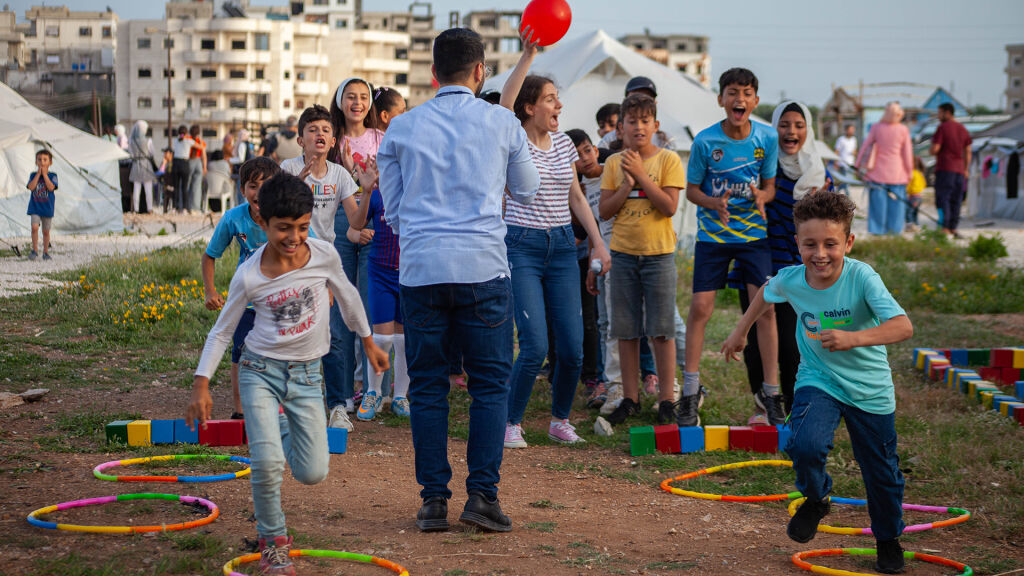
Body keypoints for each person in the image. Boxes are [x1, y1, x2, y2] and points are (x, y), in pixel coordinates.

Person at [377, 27, 539, 533]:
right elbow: (529, 191)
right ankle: (482, 499)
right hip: (484, 268)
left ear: (432, 73)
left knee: (427, 386)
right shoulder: (502, 122)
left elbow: (394, 212)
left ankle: (432, 502)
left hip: (422, 270)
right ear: (480, 72)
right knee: (490, 385)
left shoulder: (401, 128)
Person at [187, 172, 388, 576]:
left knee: (313, 472)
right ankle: (272, 543)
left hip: (307, 376)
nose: (294, 237)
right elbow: (223, 330)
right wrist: (201, 381)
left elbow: (348, 297)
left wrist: (367, 341)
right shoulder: (250, 273)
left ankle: (278, 432)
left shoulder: (324, 254)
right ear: (263, 224)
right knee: (265, 463)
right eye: (283, 229)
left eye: (301, 227)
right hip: (260, 372)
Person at [722, 191, 913, 575]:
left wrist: (852, 338)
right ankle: (817, 495)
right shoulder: (792, 279)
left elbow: (903, 326)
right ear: (797, 243)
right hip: (819, 380)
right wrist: (741, 330)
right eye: (810, 244)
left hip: (869, 389)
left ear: (849, 242)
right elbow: (765, 292)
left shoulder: (862, 277)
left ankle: (888, 539)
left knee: (881, 472)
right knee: (804, 443)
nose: (820, 254)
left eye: (830, 244)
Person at [498, 33, 611, 447]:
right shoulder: (513, 138)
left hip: (564, 247)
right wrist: (529, 54)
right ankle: (511, 422)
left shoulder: (564, 143)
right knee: (534, 346)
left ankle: (559, 420)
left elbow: (577, 197)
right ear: (530, 108)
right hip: (522, 246)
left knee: (574, 347)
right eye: (549, 98)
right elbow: (504, 106)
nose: (558, 105)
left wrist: (597, 243)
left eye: (557, 98)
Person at [681, 67, 781, 427]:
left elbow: (770, 187)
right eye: (732, 92)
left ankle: (772, 394)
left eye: (747, 93)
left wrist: (761, 196)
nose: (740, 99)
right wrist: (714, 203)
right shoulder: (706, 141)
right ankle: (689, 394)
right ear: (720, 98)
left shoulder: (766, 138)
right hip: (714, 236)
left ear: (755, 100)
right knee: (701, 308)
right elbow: (692, 191)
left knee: (766, 310)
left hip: (754, 236)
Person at [281, 104, 379, 430]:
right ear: (300, 139)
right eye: (312, 130)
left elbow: (355, 221)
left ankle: (337, 406)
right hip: (291, 261)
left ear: (333, 140)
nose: (319, 135)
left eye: (325, 130)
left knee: (334, 334)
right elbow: (276, 212)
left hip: (324, 263)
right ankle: (292, 406)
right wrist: (297, 183)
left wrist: (366, 190)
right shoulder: (287, 168)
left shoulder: (339, 174)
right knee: (293, 332)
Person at [734, 101, 832, 422]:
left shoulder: (818, 171)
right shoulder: (762, 166)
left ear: (808, 130)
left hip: (799, 268)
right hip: (759, 259)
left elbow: (834, 220)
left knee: (794, 342)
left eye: (799, 125)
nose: (792, 132)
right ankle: (763, 404)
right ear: (773, 129)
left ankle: (792, 407)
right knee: (754, 337)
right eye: (785, 125)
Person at [596, 92, 684, 427]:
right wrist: (627, 183)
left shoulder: (668, 160)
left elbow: (670, 207)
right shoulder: (615, 164)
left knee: (661, 329)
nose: (638, 127)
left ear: (656, 126)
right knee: (626, 329)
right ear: (620, 129)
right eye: (631, 122)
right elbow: (604, 211)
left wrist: (642, 177)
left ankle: (666, 400)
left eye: (645, 121)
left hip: (659, 255)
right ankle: (630, 398)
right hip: (623, 254)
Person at [202, 156, 282, 420]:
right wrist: (210, 291)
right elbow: (210, 255)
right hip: (246, 299)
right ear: (242, 189)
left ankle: (278, 409)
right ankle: (240, 410)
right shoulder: (233, 218)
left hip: (280, 298)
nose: (258, 191)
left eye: (265, 185)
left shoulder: (287, 215)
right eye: (252, 185)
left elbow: (315, 250)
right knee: (240, 353)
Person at [326, 78, 386, 426]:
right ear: (340, 101)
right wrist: (349, 170)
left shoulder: (380, 138)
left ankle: (372, 387)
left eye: (363, 97)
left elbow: (387, 179)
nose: (358, 103)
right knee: (341, 311)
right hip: (340, 224)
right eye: (351, 97)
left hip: (375, 225)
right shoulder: (333, 141)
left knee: (368, 307)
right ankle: (343, 391)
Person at [567, 128, 611, 406]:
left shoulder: (611, 169)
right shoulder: (576, 186)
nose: (584, 159)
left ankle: (599, 376)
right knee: (592, 318)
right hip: (585, 255)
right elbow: (578, 226)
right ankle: (592, 377)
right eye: (577, 155)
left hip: (612, 251)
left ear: (595, 148)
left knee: (602, 319)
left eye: (587, 150)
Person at [856, 102, 913, 235]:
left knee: (877, 206)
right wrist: (909, 172)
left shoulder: (876, 127)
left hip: (877, 173)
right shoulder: (903, 129)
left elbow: (865, 146)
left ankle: (877, 231)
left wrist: (858, 165)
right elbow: (907, 154)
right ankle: (895, 231)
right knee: (897, 207)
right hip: (898, 174)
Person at [598, 77, 676, 151]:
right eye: (634, 98)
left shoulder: (665, 141)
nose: (639, 127)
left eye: (646, 98)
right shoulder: (608, 140)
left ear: (655, 103)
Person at [930, 102, 972, 238]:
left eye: (939, 112)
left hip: (945, 168)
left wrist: (932, 149)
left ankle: (945, 227)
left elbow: (935, 149)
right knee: (956, 199)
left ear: (947, 112)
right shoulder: (962, 129)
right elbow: (968, 150)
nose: (938, 116)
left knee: (944, 197)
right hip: (960, 170)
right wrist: (966, 169)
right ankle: (953, 227)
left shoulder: (943, 128)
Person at [26, 149, 57, 261]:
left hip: (47, 208)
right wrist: (39, 174)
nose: (42, 162)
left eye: (45, 160)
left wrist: (45, 175)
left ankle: (45, 252)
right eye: (39, 160)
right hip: (35, 207)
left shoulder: (53, 175)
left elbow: (51, 187)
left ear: (50, 163)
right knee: (34, 227)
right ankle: (34, 250)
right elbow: (31, 187)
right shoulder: (33, 175)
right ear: (36, 162)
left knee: (45, 231)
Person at [128, 120, 157, 214]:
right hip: (146, 164)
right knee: (148, 188)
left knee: (136, 189)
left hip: (136, 164)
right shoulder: (148, 141)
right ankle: (150, 208)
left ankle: (135, 209)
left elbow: (130, 154)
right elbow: (152, 153)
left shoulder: (131, 141)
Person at [171, 125, 195, 213]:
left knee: (175, 187)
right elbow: (200, 146)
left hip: (176, 163)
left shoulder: (175, 140)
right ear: (186, 133)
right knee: (184, 187)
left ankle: (174, 207)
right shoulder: (189, 141)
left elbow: (173, 149)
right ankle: (184, 208)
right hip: (184, 163)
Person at [188, 125, 208, 213]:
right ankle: (195, 207)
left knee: (187, 185)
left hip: (189, 162)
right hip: (198, 162)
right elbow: (204, 155)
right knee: (197, 186)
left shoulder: (188, 140)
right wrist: (205, 167)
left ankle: (187, 206)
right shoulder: (201, 142)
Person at [905, 156, 926, 232]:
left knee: (909, 211)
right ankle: (917, 225)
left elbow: (910, 185)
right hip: (919, 197)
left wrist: (907, 190)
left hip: (913, 197)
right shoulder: (920, 173)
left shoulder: (912, 173)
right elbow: (924, 184)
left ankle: (910, 225)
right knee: (915, 212)